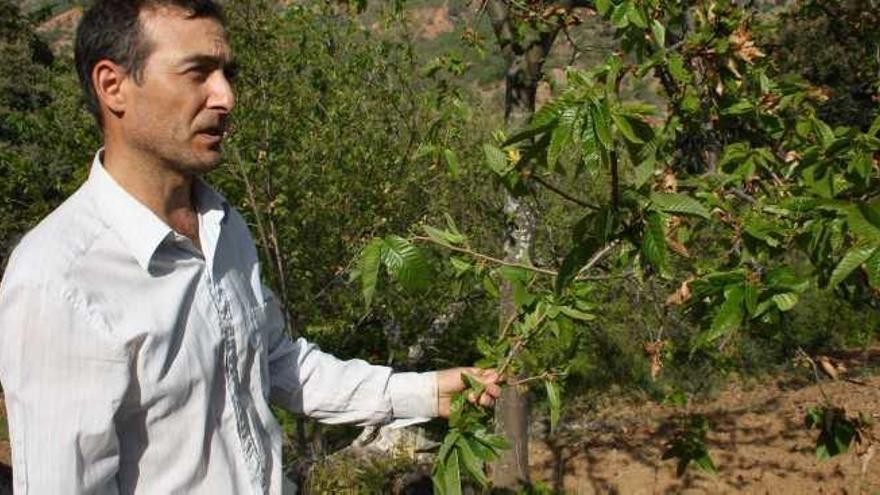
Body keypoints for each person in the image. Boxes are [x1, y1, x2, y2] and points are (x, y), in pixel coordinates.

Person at [0, 0, 501, 493]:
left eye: (227, 73)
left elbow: (278, 362)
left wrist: (426, 393)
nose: (225, 97)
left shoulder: (223, 226)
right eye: (198, 73)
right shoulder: (59, 282)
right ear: (114, 86)